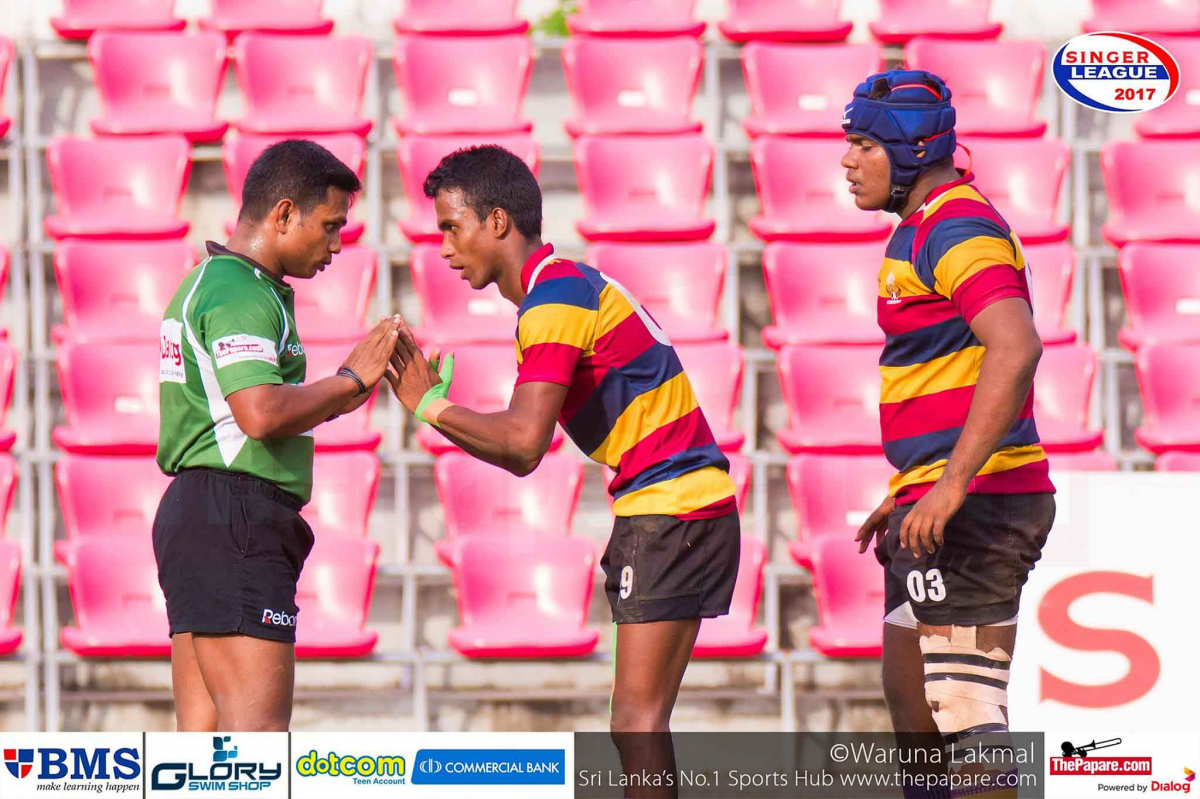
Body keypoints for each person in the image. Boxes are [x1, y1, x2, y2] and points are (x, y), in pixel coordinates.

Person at [384, 145, 740, 798]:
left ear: (497, 222)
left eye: (452, 227)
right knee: (640, 723)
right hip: (682, 506)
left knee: (635, 722)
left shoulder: (554, 300)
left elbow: (524, 445)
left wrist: (429, 406)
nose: (445, 247)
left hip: (672, 511)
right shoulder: (567, 285)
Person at [843, 71, 1056, 798]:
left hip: (979, 505)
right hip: (935, 503)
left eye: (864, 144)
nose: (847, 160)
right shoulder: (923, 225)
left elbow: (1016, 346)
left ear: (912, 150)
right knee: (916, 714)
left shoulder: (956, 225)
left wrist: (951, 482)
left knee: (966, 718)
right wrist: (912, 485)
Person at [154, 139, 400, 731]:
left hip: (207, 513)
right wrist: (348, 382)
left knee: (203, 751)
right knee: (256, 748)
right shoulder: (236, 288)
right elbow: (260, 413)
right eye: (330, 225)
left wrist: (345, 390)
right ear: (284, 213)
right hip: (234, 517)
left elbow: (259, 412)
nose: (337, 244)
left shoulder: (218, 282)